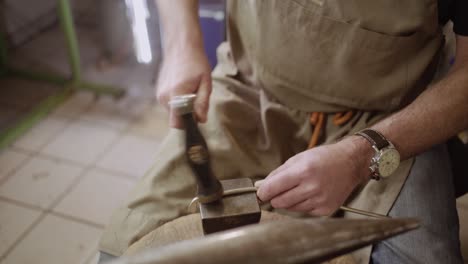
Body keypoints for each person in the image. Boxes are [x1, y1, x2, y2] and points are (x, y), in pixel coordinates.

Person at [98, 1, 468, 263]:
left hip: (389, 118)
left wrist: (359, 156)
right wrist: (182, 42)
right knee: (122, 246)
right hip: (247, 90)